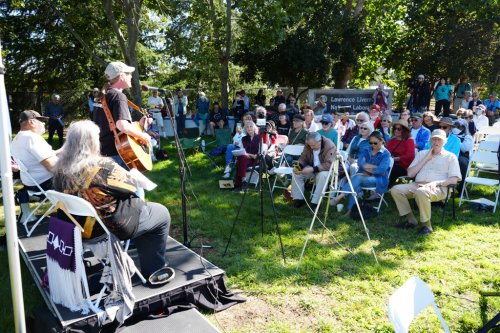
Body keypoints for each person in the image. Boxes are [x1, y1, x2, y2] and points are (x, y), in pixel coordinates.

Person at [52, 120, 171, 279]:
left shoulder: (60, 169)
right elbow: (129, 188)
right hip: (110, 226)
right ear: (92, 142)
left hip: (77, 228)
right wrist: (132, 177)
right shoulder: (102, 166)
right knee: (161, 213)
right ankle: (154, 269)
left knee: (146, 213)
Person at [390, 129, 461, 235]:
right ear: (430, 141)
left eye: (439, 140)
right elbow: (410, 174)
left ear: (445, 141)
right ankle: (411, 219)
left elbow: (453, 179)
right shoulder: (421, 154)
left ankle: (427, 225)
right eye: (434, 139)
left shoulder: (450, 157)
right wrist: (426, 158)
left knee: (421, 192)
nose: (436, 142)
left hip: (439, 188)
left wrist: (436, 183)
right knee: (395, 189)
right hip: (417, 185)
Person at [93, 62, 151, 169]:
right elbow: (121, 126)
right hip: (118, 153)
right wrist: (143, 136)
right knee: (134, 185)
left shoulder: (103, 95)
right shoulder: (118, 96)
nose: (131, 76)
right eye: (128, 73)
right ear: (122, 76)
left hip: (102, 151)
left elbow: (108, 122)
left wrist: (139, 125)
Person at [11, 110, 58, 223]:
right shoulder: (32, 138)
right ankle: (76, 217)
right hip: (45, 184)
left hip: (31, 183)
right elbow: (51, 166)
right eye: (41, 121)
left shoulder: (16, 139)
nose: (44, 124)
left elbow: (42, 157)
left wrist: (63, 151)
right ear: (31, 122)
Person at [332, 131, 391, 215]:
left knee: (357, 178)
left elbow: (381, 170)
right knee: (356, 182)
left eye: (375, 143)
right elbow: (360, 163)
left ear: (382, 141)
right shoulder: (367, 150)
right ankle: (350, 210)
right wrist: (373, 166)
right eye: (371, 142)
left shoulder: (386, 154)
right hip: (363, 177)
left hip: (378, 179)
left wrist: (367, 168)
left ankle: (341, 196)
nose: (373, 145)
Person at [291, 132, 336, 209]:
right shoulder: (308, 143)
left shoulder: (330, 146)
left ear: (319, 141)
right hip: (312, 167)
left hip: (326, 170)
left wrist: (312, 169)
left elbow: (329, 164)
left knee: (322, 176)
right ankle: (299, 199)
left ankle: (316, 203)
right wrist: (299, 166)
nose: (311, 147)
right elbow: (303, 157)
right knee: (296, 174)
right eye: (310, 145)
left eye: (313, 145)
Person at [386, 120, 415, 185]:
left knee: (393, 170)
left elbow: (409, 156)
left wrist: (396, 158)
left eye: (399, 129)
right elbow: (387, 152)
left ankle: (385, 187)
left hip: (402, 166)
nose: (396, 131)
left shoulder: (409, 141)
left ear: (404, 130)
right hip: (390, 162)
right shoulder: (391, 141)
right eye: (395, 129)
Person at [233, 121, 260, 191]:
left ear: (254, 128)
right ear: (245, 129)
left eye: (251, 126)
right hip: (246, 159)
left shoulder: (259, 138)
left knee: (240, 161)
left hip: (256, 160)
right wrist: (248, 155)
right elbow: (242, 151)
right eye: (247, 127)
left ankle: (239, 183)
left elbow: (260, 153)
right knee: (242, 158)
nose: (249, 128)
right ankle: (244, 181)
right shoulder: (243, 139)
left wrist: (252, 155)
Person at [452, 119, 473, 191]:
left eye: (459, 127)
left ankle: (461, 188)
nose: (456, 128)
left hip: (462, 156)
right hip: (450, 153)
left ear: (464, 128)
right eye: (455, 126)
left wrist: (456, 140)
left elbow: (465, 148)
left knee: (462, 162)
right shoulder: (450, 135)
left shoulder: (467, 137)